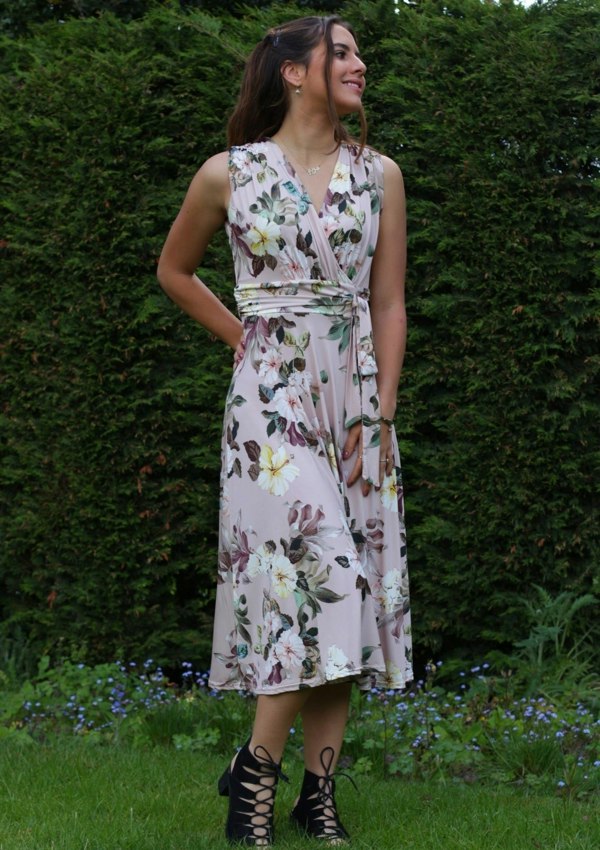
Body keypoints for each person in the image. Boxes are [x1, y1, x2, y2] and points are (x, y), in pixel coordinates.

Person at [157, 14, 413, 846]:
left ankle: (317, 791)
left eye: (356, 52)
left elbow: (388, 303)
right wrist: (244, 339)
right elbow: (174, 270)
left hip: (355, 402)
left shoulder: (381, 176)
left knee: (350, 589)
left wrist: (381, 413)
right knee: (322, 577)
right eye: (340, 51)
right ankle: (254, 785)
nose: (359, 64)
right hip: (269, 406)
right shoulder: (227, 175)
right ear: (293, 72)